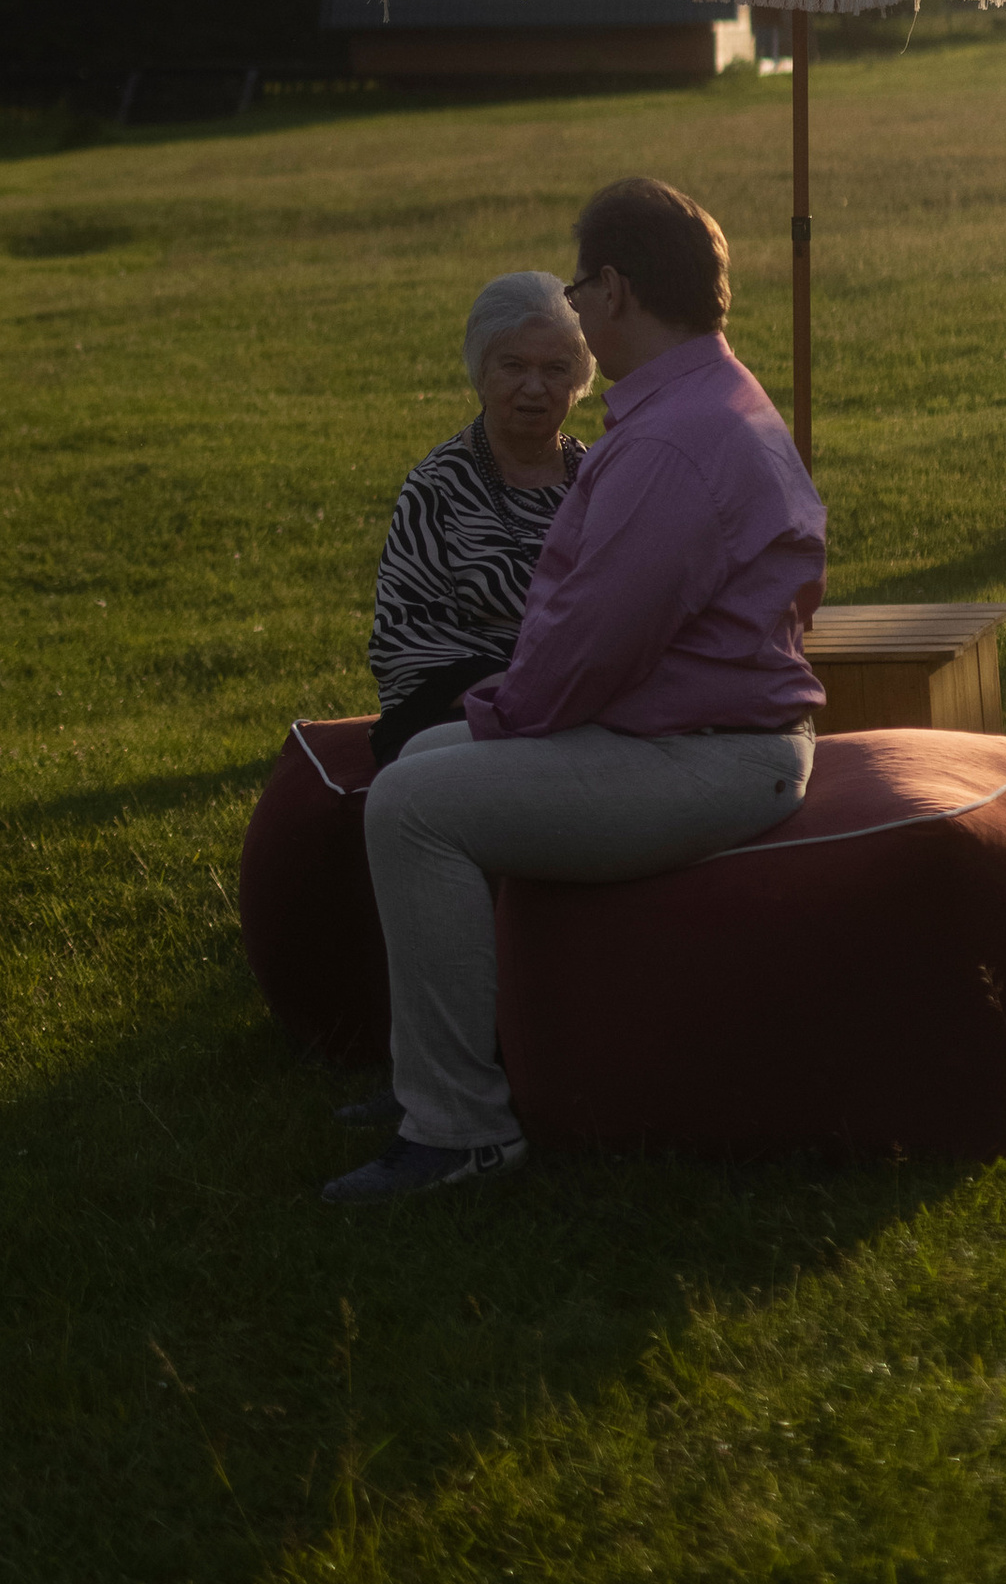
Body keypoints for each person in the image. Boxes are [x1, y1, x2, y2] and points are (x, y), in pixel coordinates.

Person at [331, 176, 826, 1207]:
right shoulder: (698, 401)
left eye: (577, 284)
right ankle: (442, 1073)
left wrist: (495, 719)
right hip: (693, 734)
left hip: (711, 756)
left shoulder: (667, 442)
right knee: (419, 766)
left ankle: (460, 1129)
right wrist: (475, 725)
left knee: (415, 804)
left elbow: (589, 647)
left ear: (611, 289)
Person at [367, 274, 594, 763]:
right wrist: (522, 693)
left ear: (577, 382)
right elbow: (407, 637)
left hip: (592, 702)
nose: (534, 388)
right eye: (513, 365)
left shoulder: (603, 479)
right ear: (481, 371)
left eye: (556, 369)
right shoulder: (437, 487)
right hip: (469, 709)